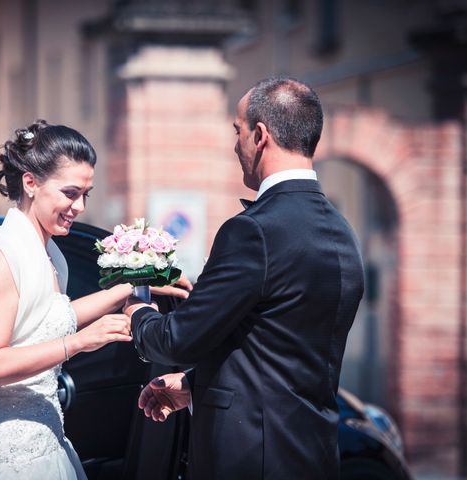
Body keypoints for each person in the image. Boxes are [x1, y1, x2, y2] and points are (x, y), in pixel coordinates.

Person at [125, 77, 365, 480]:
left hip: (248, 458)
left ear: (259, 135)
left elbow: (178, 339)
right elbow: (282, 348)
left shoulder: (253, 230)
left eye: (236, 132)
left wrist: (138, 310)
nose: (234, 145)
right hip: (314, 456)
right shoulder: (343, 232)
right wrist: (194, 385)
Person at [0, 121, 190, 479]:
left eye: (86, 194)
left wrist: (134, 284)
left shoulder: (50, 251)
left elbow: (46, 319)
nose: (80, 206)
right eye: (71, 193)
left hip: (48, 444)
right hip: (4, 458)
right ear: (31, 183)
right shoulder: (2, 254)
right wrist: (79, 343)